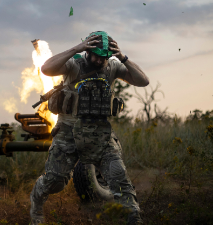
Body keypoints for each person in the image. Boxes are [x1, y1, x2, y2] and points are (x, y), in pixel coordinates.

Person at [30, 31, 149, 225]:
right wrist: (77, 48)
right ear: (87, 51)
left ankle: (134, 217)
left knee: (118, 176)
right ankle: (36, 203)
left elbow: (143, 81)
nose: (99, 60)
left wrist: (122, 57)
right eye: (96, 55)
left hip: (100, 134)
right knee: (55, 181)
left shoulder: (113, 66)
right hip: (68, 132)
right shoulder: (73, 64)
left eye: (104, 56)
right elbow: (46, 69)